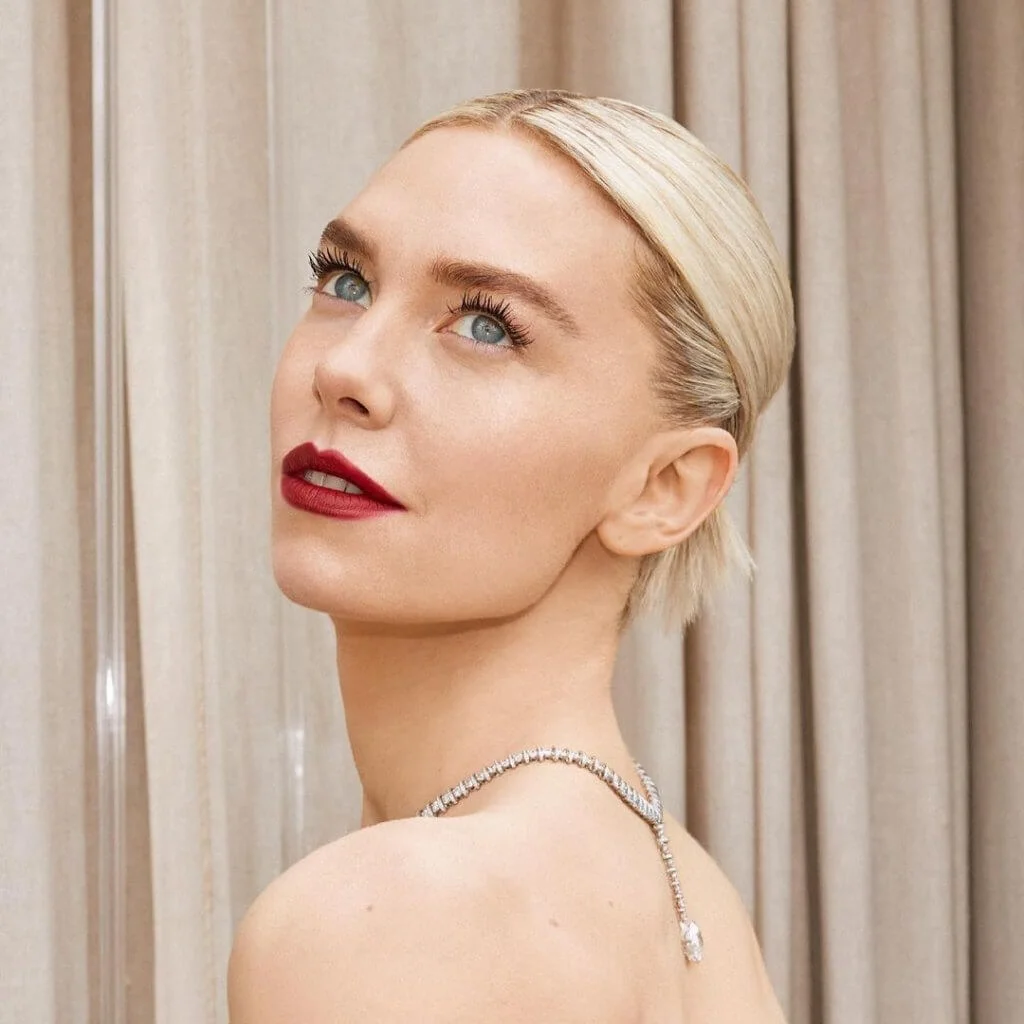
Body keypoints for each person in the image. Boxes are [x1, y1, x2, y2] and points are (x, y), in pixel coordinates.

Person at [228, 88, 793, 1022]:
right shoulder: (693, 904)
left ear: (665, 486)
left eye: (486, 325)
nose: (344, 369)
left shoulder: (392, 918)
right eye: (346, 281)